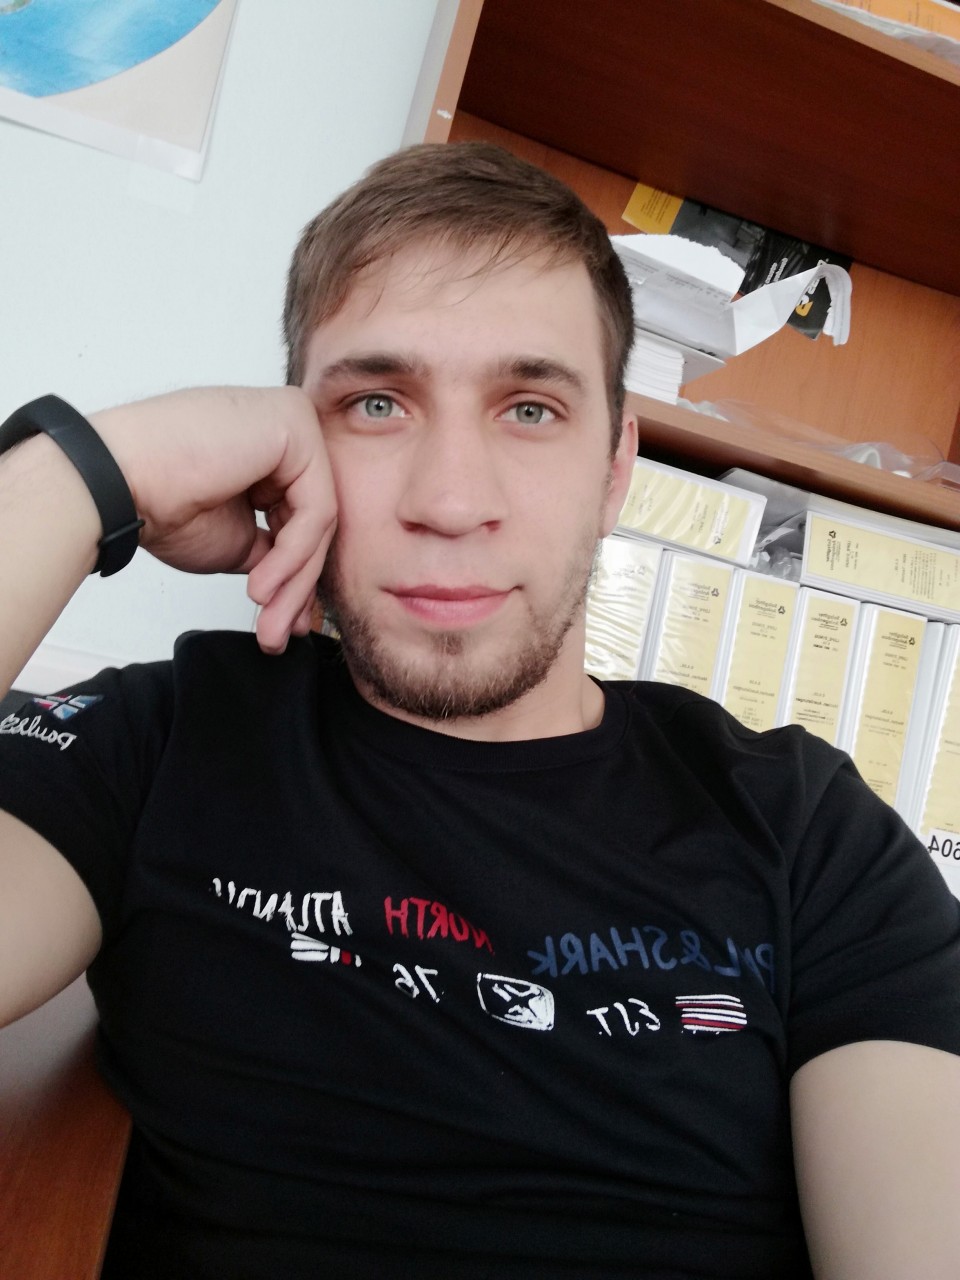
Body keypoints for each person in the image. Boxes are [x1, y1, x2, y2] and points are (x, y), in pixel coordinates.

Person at [0, 143, 959, 1280]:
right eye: (375, 403)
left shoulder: (807, 831)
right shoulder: (163, 739)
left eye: (531, 408)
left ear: (615, 471)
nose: (452, 502)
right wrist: (89, 470)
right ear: (284, 444)